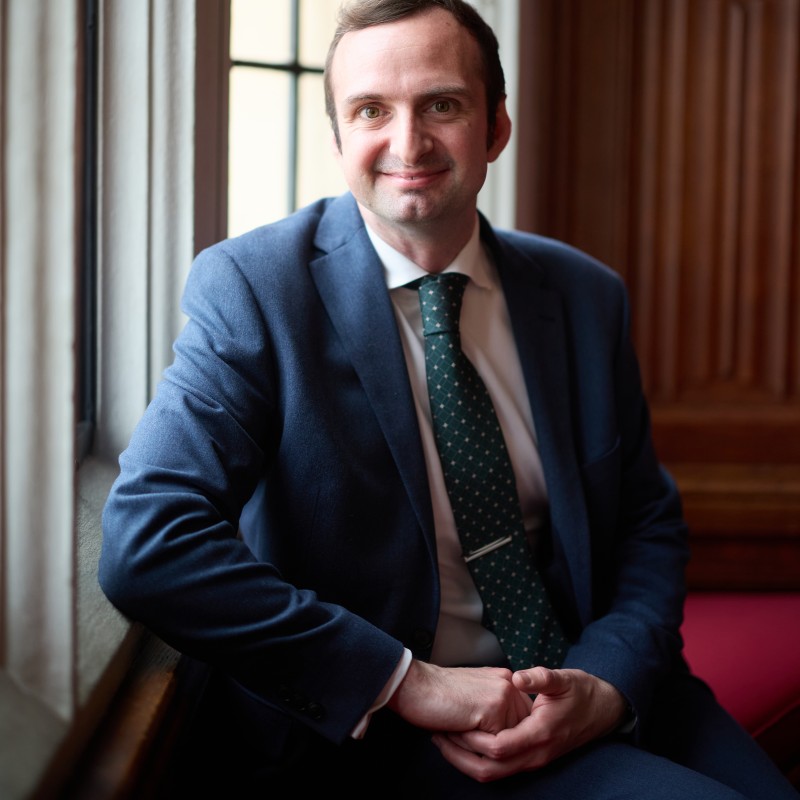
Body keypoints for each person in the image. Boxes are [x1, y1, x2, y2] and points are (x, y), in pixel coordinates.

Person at [98, 1, 799, 797]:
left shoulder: (582, 295)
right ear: (338, 139)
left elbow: (647, 521)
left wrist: (605, 686)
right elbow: (148, 543)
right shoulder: (256, 290)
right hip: (388, 730)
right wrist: (408, 682)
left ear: (496, 128)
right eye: (371, 110)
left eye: (442, 104)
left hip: (596, 685)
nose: (408, 143)